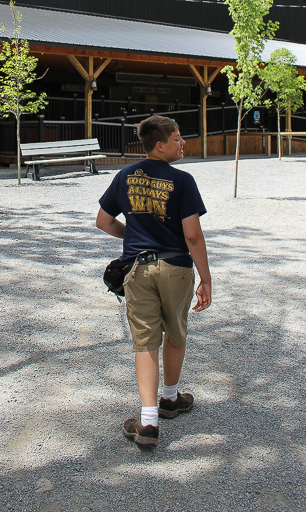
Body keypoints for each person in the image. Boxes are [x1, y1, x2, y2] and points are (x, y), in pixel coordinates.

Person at [96, 115, 211, 448]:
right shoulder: (183, 181)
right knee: (175, 332)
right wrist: (206, 279)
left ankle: (147, 423)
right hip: (175, 268)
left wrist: (130, 235)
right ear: (160, 145)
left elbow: (104, 221)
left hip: (137, 271)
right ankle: (171, 399)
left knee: (145, 341)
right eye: (177, 138)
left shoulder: (125, 176)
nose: (183, 143)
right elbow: (192, 235)